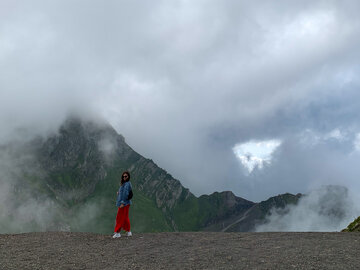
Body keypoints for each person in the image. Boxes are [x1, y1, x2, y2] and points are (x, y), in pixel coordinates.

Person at [113, 171, 132, 238]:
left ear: (128, 176)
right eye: (123, 176)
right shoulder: (127, 183)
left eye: (126, 176)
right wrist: (119, 192)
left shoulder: (126, 184)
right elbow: (123, 192)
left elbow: (126, 194)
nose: (124, 177)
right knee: (125, 217)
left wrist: (122, 203)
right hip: (127, 203)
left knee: (119, 217)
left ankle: (118, 233)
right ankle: (129, 232)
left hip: (124, 204)